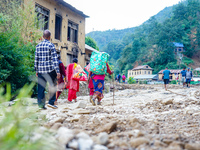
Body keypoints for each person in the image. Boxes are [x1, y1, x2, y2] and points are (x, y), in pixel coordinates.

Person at [34, 30, 60, 109]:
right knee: (53, 85)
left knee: (41, 87)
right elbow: (55, 59)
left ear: (43, 36)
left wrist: (36, 70)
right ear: (49, 37)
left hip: (41, 70)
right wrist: (57, 71)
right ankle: (51, 102)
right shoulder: (51, 45)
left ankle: (41, 105)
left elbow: (36, 59)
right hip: (50, 70)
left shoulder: (38, 46)